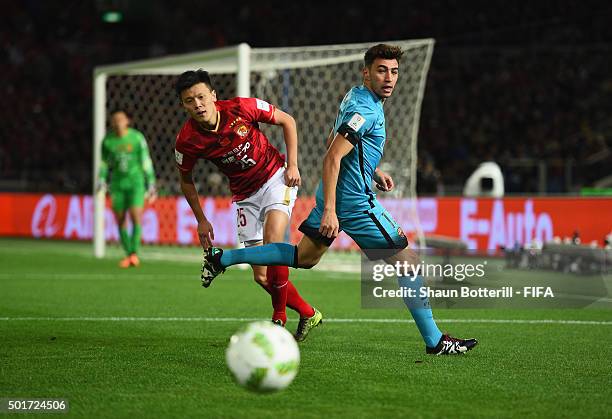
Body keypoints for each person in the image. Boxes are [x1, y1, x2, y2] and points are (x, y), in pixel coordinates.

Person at [201, 44, 478, 355]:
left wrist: (371, 172)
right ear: (367, 72)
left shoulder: (356, 96)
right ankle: (435, 341)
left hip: (335, 193)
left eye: (394, 72)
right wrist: (332, 210)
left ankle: (222, 259)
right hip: (353, 204)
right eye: (382, 70)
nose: (389, 78)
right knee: (408, 263)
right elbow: (333, 157)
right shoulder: (366, 110)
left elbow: (337, 142)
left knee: (303, 258)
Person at [174, 70, 322, 340]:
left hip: (276, 177)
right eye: (189, 100)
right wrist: (201, 219)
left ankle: (278, 320)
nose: (197, 104)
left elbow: (287, 121)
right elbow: (186, 180)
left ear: (213, 96)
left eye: (201, 97)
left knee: (273, 242)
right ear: (183, 105)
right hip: (244, 196)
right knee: (262, 277)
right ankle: (309, 313)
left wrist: (293, 164)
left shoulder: (243, 107)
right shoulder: (187, 140)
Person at [98, 110, 157, 268]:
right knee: (120, 219)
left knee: (135, 215)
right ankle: (129, 254)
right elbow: (104, 163)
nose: (117, 122)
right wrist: (101, 180)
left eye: (120, 119)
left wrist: (150, 182)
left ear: (127, 121)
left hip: (136, 182)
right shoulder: (107, 141)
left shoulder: (137, 138)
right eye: (114, 119)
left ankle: (133, 254)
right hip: (117, 184)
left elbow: (145, 160)